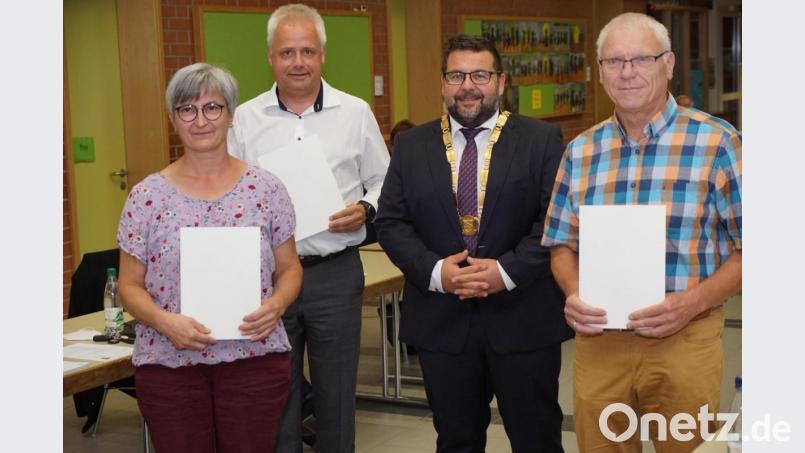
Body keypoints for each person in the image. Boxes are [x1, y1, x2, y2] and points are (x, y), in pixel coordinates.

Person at [542, 12, 742, 452]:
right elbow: (560, 243)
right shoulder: (580, 151)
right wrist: (574, 292)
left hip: (685, 338)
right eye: (614, 61)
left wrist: (691, 303)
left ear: (668, 64)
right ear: (599, 72)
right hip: (599, 344)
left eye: (640, 59)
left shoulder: (718, 143)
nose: (627, 72)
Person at [375, 35, 569, 452]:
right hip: (442, 322)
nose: (468, 85)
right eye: (457, 75)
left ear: (501, 82)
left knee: (537, 439)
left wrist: (505, 271)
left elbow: (555, 221)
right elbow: (391, 221)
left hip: (524, 319)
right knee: (456, 440)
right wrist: (435, 272)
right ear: (443, 83)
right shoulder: (411, 146)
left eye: (480, 75)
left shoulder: (541, 140)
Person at [227, 4, 389, 452]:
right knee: (278, 393)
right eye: (287, 52)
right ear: (270, 57)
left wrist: (364, 209)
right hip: (269, 278)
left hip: (335, 272)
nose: (297, 62)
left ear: (322, 55)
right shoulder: (244, 119)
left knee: (336, 395)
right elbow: (227, 190)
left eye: (307, 51)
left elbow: (383, 181)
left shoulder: (354, 113)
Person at [116, 62, 303, 452]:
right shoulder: (146, 197)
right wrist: (165, 322)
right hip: (169, 363)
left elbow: (289, 268)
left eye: (213, 107)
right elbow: (129, 286)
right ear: (173, 118)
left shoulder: (266, 188)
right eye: (187, 109)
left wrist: (278, 303)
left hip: (254, 358)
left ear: (231, 114)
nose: (200, 120)